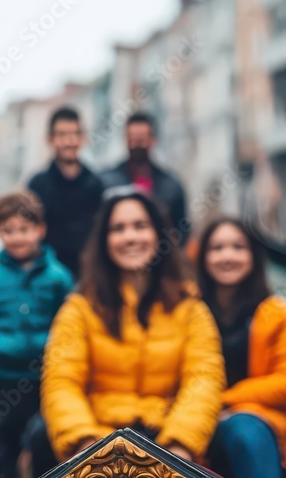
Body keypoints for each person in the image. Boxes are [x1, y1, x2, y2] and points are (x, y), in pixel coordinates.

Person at [32, 190, 225, 475]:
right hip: (96, 435)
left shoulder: (191, 308)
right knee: (39, 434)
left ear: (158, 234)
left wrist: (178, 449)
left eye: (140, 226)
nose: (130, 237)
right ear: (105, 240)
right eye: (118, 228)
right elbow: (62, 381)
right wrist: (89, 448)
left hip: (165, 436)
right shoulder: (79, 308)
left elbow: (204, 379)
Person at [195, 217, 286, 478]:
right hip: (197, 418)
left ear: (253, 256)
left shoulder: (281, 315)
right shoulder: (187, 312)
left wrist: (226, 401)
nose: (227, 256)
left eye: (238, 247)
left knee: (244, 429)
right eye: (217, 248)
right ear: (203, 257)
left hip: (260, 418)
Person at [0, 191, 74, 478]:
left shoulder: (58, 277)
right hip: (5, 374)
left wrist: (59, 351)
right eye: (8, 231)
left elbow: (71, 320)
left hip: (47, 376)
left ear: (40, 230)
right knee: (7, 435)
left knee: (44, 435)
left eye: (24, 230)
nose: (17, 238)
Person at [27, 106, 104, 280]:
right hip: (47, 278)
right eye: (62, 135)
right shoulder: (37, 186)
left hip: (89, 276)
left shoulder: (96, 185)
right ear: (50, 139)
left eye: (75, 134)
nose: (69, 141)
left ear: (83, 138)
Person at [99, 112, 189, 246]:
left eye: (141, 139)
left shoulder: (171, 185)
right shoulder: (107, 181)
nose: (136, 145)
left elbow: (182, 228)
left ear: (153, 140)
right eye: (132, 139)